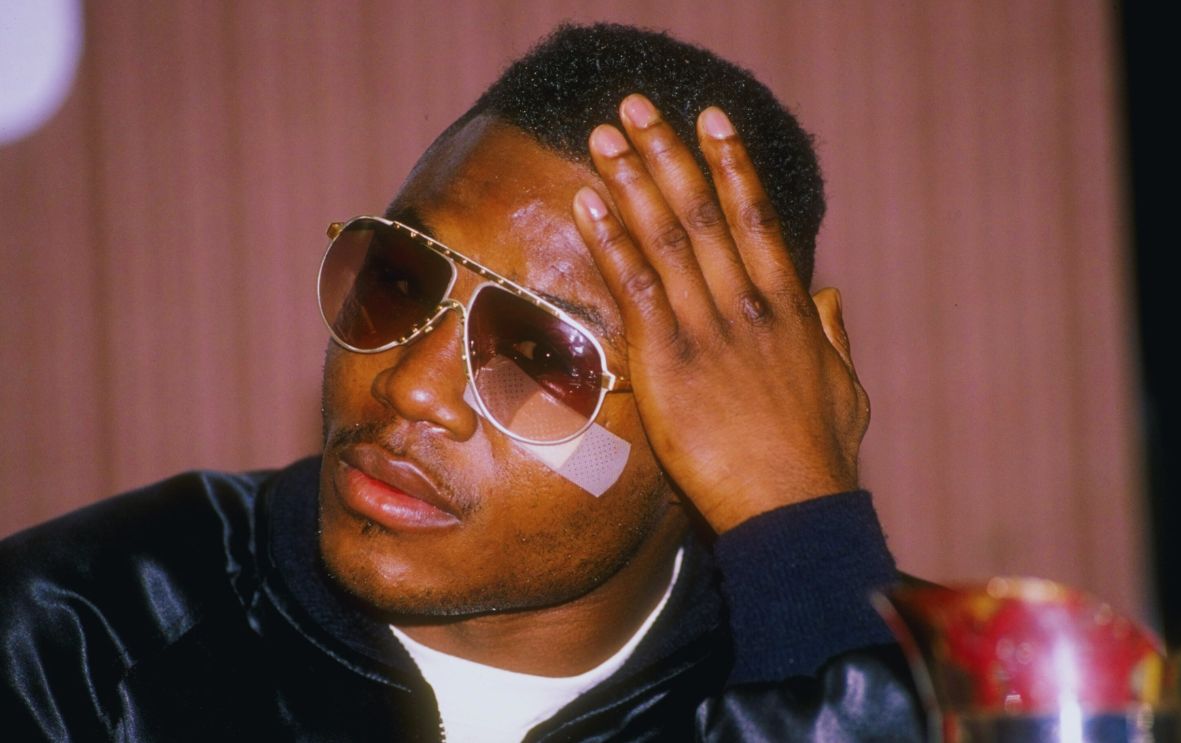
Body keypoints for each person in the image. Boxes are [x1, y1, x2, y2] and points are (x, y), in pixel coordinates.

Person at [0, 23, 923, 741]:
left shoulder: (888, 672)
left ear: (726, 422)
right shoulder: (74, 642)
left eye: (536, 356)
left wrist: (805, 538)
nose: (411, 388)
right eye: (399, 279)